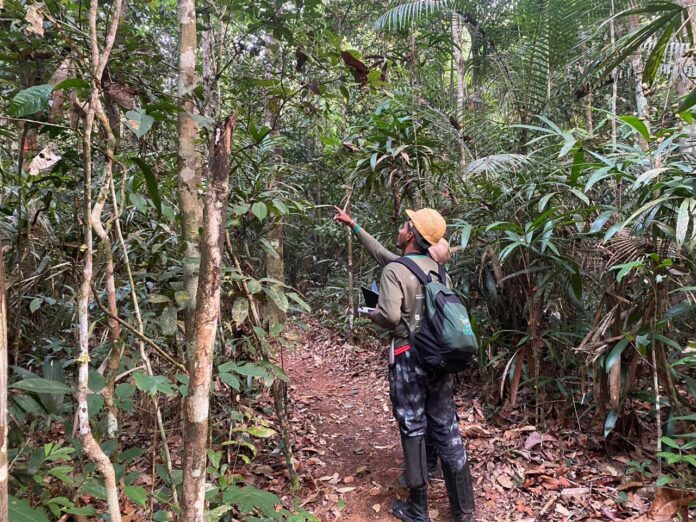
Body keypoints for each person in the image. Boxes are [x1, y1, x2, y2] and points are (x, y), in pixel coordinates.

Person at [333, 207, 475, 522]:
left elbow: (390, 317)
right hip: (439, 358)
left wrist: (367, 308)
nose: (399, 228)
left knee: (413, 427)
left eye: (403, 224)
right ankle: (464, 511)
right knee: (446, 427)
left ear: (410, 234)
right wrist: (355, 226)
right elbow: (383, 254)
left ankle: (418, 510)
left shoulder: (395, 272)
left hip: (408, 357)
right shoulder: (438, 271)